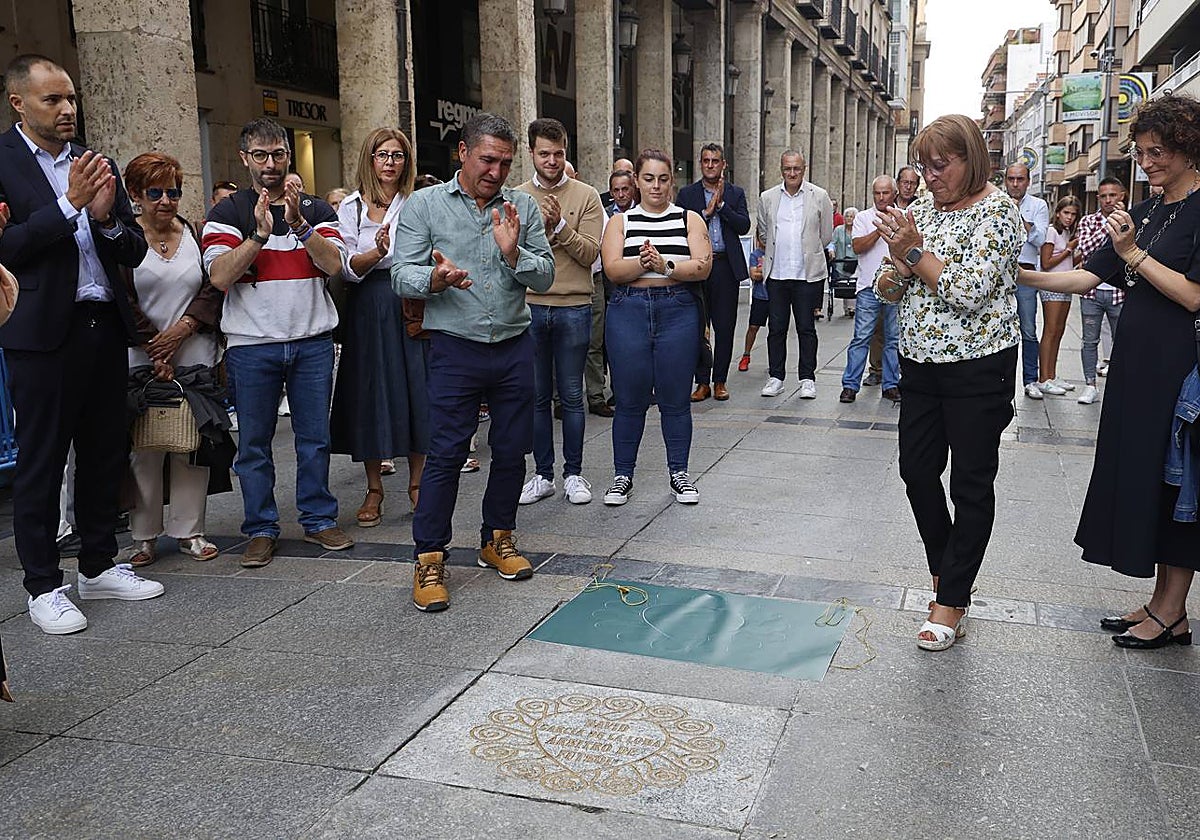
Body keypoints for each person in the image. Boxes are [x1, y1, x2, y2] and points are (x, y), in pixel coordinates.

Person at [1018, 94, 1200, 650]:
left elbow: (1194, 296)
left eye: (1158, 152)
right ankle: (1162, 603)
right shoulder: (1146, 212)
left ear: (1188, 148)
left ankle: (1171, 611)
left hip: (1178, 371)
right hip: (1137, 369)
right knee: (1147, 477)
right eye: (1141, 152)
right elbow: (1086, 277)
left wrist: (1134, 255)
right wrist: (1019, 277)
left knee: (1176, 482)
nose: (1147, 162)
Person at [0, 54, 164, 634]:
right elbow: (8, 248)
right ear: (18, 102)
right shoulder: (3, 161)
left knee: (103, 452)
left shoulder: (96, 163)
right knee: (42, 461)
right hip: (41, 334)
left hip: (102, 326)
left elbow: (134, 250)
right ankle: (43, 585)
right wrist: (68, 205)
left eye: (70, 97)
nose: (67, 108)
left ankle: (97, 565)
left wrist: (107, 219)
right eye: (53, 99)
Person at [392, 112, 554, 613]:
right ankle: (429, 557)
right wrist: (434, 281)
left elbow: (545, 276)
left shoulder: (522, 207)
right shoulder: (425, 205)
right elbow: (399, 274)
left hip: (513, 344)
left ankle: (497, 538)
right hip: (454, 346)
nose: (496, 171)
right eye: (487, 160)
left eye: (505, 163)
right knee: (445, 454)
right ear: (462, 152)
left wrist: (514, 254)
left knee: (511, 449)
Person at [873, 114, 1022, 651]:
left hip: (978, 366)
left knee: (970, 485)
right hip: (919, 364)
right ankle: (947, 571)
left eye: (941, 166)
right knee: (916, 471)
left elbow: (967, 291)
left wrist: (914, 253)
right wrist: (897, 269)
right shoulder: (922, 211)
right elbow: (888, 289)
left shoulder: (999, 213)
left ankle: (951, 599)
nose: (930, 177)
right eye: (924, 167)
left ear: (970, 159)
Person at [203, 118, 353, 568]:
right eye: (261, 155)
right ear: (245, 158)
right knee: (253, 445)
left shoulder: (316, 209)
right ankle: (260, 528)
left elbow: (334, 266)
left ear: (289, 155)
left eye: (279, 154)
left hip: (312, 341)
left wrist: (301, 227)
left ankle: (318, 519)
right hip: (252, 346)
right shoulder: (227, 213)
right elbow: (219, 276)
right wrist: (258, 235)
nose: (270, 163)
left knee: (315, 439)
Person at [122, 152, 228, 567]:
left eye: (174, 192)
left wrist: (183, 329)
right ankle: (144, 536)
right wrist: (156, 346)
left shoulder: (196, 233)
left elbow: (212, 287)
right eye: (155, 192)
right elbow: (121, 297)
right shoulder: (124, 237)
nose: (166, 200)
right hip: (141, 355)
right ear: (135, 194)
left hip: (194, 352)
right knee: (144, 447)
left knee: (191, 442)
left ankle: (190, 530)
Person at [599, 149, 712, 506]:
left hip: (677, 311)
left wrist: (665, 266)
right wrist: (644, 263)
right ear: (636, 181)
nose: (656, 186)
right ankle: (622, 476)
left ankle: (680, 473)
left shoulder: (689, 219)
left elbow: (703, 265)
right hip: (628, 310)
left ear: (672, 181)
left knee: (675, 399)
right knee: (629, 399)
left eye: (663, 179)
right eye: (648, 179)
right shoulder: (620, 221)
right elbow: (612, 269)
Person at [330, 127, 429, 526]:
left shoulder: (418, 202)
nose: (390, 162)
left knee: (416, 388)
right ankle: (374, 488)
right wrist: (377, 252)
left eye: (398, 155)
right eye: (383, 154)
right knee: (369, 391)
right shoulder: (350, 207)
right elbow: (344, 266)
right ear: (369, 159)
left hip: (410, 301)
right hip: (369, 303)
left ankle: (418, 483)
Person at [516, 118, 604, 506]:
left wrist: (560, 227)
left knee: (571, 394)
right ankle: (542, 475)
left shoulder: (586, 196)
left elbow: (590, 253)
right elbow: (510, 252)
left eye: (558, 153)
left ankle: (574, 474)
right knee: (536, 396)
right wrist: (542, 231)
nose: (551, 161)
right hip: (530, 306)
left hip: (573, 306)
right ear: (531, 153)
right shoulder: (517, 196)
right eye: (544, 154)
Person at [757, 150, 835, 399]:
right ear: (781, 170)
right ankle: (776, 377)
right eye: (787, 168)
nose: (792, 173)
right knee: (776, 328)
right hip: (777, 274)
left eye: (796, 168)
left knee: (806, 328)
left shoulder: (819, 195)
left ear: (804, 169)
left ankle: (807, 379)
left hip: (806, 275)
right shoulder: (767, 197)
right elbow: (764, 233)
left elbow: (825, 235)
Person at [677, 143, 751, 403]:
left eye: (715, 161)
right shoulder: (687, 194)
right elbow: (679, 227)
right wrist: (706, 213)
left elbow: (744, 225)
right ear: (700, 164)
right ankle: (702, 382)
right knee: (697, 327)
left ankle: (720, 380)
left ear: (723, 165)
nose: (710, 165)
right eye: (706, 161)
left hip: (724, 267)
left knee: (725, 326)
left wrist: (721, 207)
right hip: (697, 267)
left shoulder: (735, 193)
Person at [840, 177, 901, 404]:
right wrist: (880, 229)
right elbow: (857, 247)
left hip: (895, 287)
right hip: (867, 286)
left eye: (886, 192)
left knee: (893, 339)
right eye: (877, 193)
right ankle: (850, 386)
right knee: (861, 337)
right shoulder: (863, 217)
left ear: (894, 194)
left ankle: (891, 385)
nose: (881, 197)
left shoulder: (903, 217)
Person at [587, 168, 638, 417]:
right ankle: (610, 391)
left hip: (638, 285)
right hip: (609, 287)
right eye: (615, 190)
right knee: (608, 343)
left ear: (633, 189)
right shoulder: (604, 214)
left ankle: (638, 388)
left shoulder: (643, 213)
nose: (620, 194)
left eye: (625, 189)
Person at [1075, 176, 1127, 403]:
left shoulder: (1132, 218)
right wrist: (1111, 223)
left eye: (1112, 195)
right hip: (1091, 292)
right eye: (1104, 196)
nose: (1108, 200)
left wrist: (1121, 219)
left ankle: (1119, 386)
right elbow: (1087, 249)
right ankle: (1090, 385)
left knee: (1123, 341)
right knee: (1089, 341)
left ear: (1121, 196)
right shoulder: (1088, 221)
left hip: (1119, 293)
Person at [867, 166, 921, 383]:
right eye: (905, 182)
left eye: (913, 183)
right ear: (898, 184)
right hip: (883, 275)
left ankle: (897, 376)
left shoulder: (920, 209)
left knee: (897, 331)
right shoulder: (886, 207)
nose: (908, 187)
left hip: (910, 277)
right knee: (877, 329)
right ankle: (876, 369)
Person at [1004, 162, 1049, 399]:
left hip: (1026, 274)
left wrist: (1018, 217)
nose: (1015, 184)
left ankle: (1030, 380)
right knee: (999, 329)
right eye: (1011, 179)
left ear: (1028, 182)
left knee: (1028, 329)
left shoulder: (1038, 205)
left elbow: (1040, 239)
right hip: (1001, 274)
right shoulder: (996, 203)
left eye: (1020, 179)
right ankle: (1002, 380)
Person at [1035, 195, 1082, 395]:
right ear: (1057, 213)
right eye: (1066, 213)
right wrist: (1069, 250)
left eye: (1073, 214)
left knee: (1059, 331)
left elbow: (1068, 261)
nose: (1069, 217)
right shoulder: (1051, 232)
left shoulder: (1068, 233)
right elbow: (1046, 263)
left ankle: (1052, 375)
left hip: (1066, 284)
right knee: (1051, 330)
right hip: (1051, 285)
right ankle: (1043, 378)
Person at [738, 245, 768, 371]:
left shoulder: (778, 251)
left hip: (777, 296)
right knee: (753, 327)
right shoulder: (755, 255)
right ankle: (746, 355)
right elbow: (754, 275)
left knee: (777, 330)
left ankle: (775, 361)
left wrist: (761, 270)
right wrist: (768, 270)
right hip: (760, 296)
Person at [827, 206, 858, 318]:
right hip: (841, 261)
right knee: (844, 283)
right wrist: (831, 251)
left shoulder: (859, 229)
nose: (849, 218)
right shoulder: (839, 230)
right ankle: (847, 307)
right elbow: (832, 242)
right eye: (847, 216)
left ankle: (852, 307)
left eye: (852, 216)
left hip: (855, 261)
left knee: (853, 283)